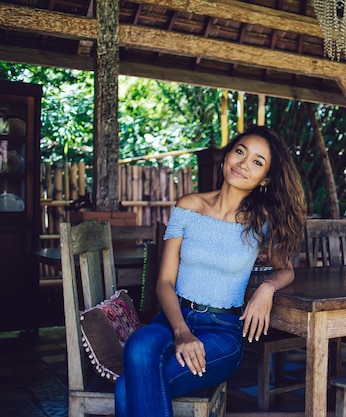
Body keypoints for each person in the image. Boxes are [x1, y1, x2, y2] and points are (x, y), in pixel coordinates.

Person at [115, 125, 307, 417]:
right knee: (138, 345)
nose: (243, 163)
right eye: (240, 151)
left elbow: (286, 270)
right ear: (227, 156)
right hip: (173, 318)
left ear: (265, 179)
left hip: (223, 331)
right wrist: (181, 332)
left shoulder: (262, 222)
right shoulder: (188, 206)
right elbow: (164, 282)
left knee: (126, 389)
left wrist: (267, 287)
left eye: (257, 161)